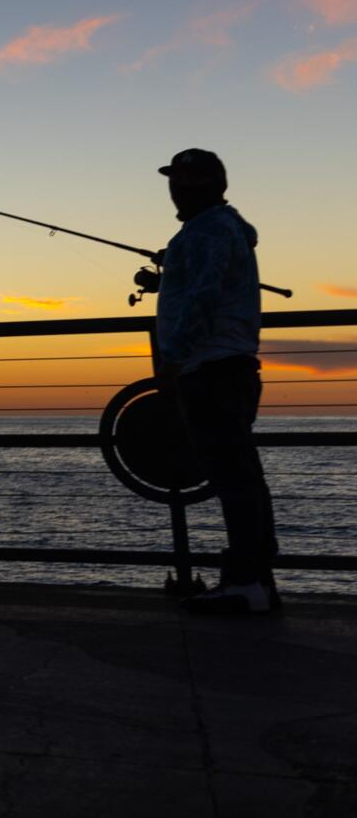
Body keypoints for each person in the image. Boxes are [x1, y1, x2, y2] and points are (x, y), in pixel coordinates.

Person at [153, 148, 276, 615]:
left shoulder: (208, 231)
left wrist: (173, 358)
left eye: (180, 181)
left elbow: (203, 298)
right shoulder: (218, 232)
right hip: (231, 368)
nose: (173, 189)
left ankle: (245, 583)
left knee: (234, 480)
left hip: (211, 371)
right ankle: (258, 580)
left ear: (198, 186)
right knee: (244, 478)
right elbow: (207, 281)